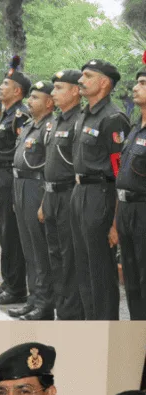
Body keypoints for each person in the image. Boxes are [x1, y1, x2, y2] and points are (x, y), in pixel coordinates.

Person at [72, 59, 130, 320]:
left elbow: (121, 173)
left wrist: (116, 222)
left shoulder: (113, 119)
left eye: (88, 76)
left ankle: (106, 328)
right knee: (83, 267)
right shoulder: (85, 113)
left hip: (101, 196)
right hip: (80, 192)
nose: (81, 80)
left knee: (101, 270)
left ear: (104, 83)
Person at [9, 79, 56, 321]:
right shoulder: (29, 124)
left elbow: (50, 167)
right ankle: (33, 298)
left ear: (49, 102)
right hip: (21, 185)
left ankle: (45, 304)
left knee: (40, 250)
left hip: (36, 187)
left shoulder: (50, 127)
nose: (30, 100)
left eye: (36, 97)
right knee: (28, 249)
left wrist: (44, 201)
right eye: (31, 96)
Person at [0, 61, 31, 306]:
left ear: (18, 91)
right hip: (1, 178)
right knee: (4, 233)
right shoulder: (7, 114)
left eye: (6, 84)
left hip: (12, 178)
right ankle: (8, 283)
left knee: (11, 234)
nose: (0, 87)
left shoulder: (21, 116)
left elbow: (24, 151)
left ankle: (16, 288)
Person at [44, 70, 86, 320]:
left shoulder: (79, 121)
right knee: (56, 256)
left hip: (70, 194)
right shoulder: (57, 120)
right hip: (51, 196)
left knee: (70, 258)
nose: (53, 93)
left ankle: (72, 313)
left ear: (75, 91)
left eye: (59, 88)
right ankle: (62, 308)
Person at [115, 66, 146, 319]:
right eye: (137, 82)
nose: (136, 88)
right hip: (126, 210)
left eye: (143, 83)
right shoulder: (135, 128)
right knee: (132, 280)